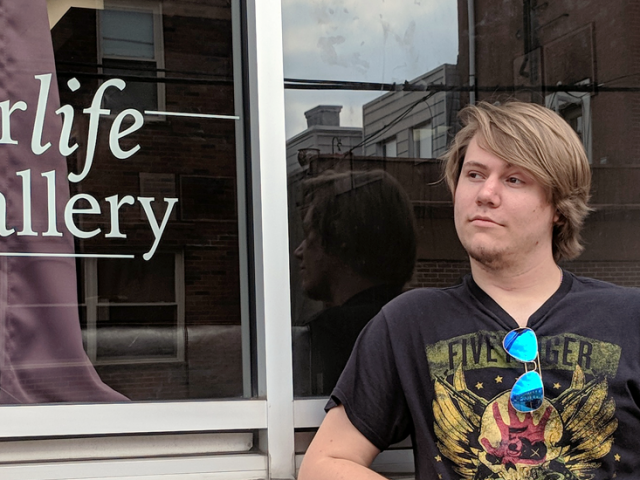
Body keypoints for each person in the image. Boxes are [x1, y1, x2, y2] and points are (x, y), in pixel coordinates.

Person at [299, 101, 640, 479]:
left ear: (558, 205)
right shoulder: (409, 323)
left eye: (514, 179)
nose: (486, 193)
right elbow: (325, 464)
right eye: (475, 174)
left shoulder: (629, 319)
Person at [293, 169, 416, 396]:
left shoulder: (332, 334)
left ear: (340, 238)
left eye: (309, 233)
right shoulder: (419, 321)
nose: (298, 251)